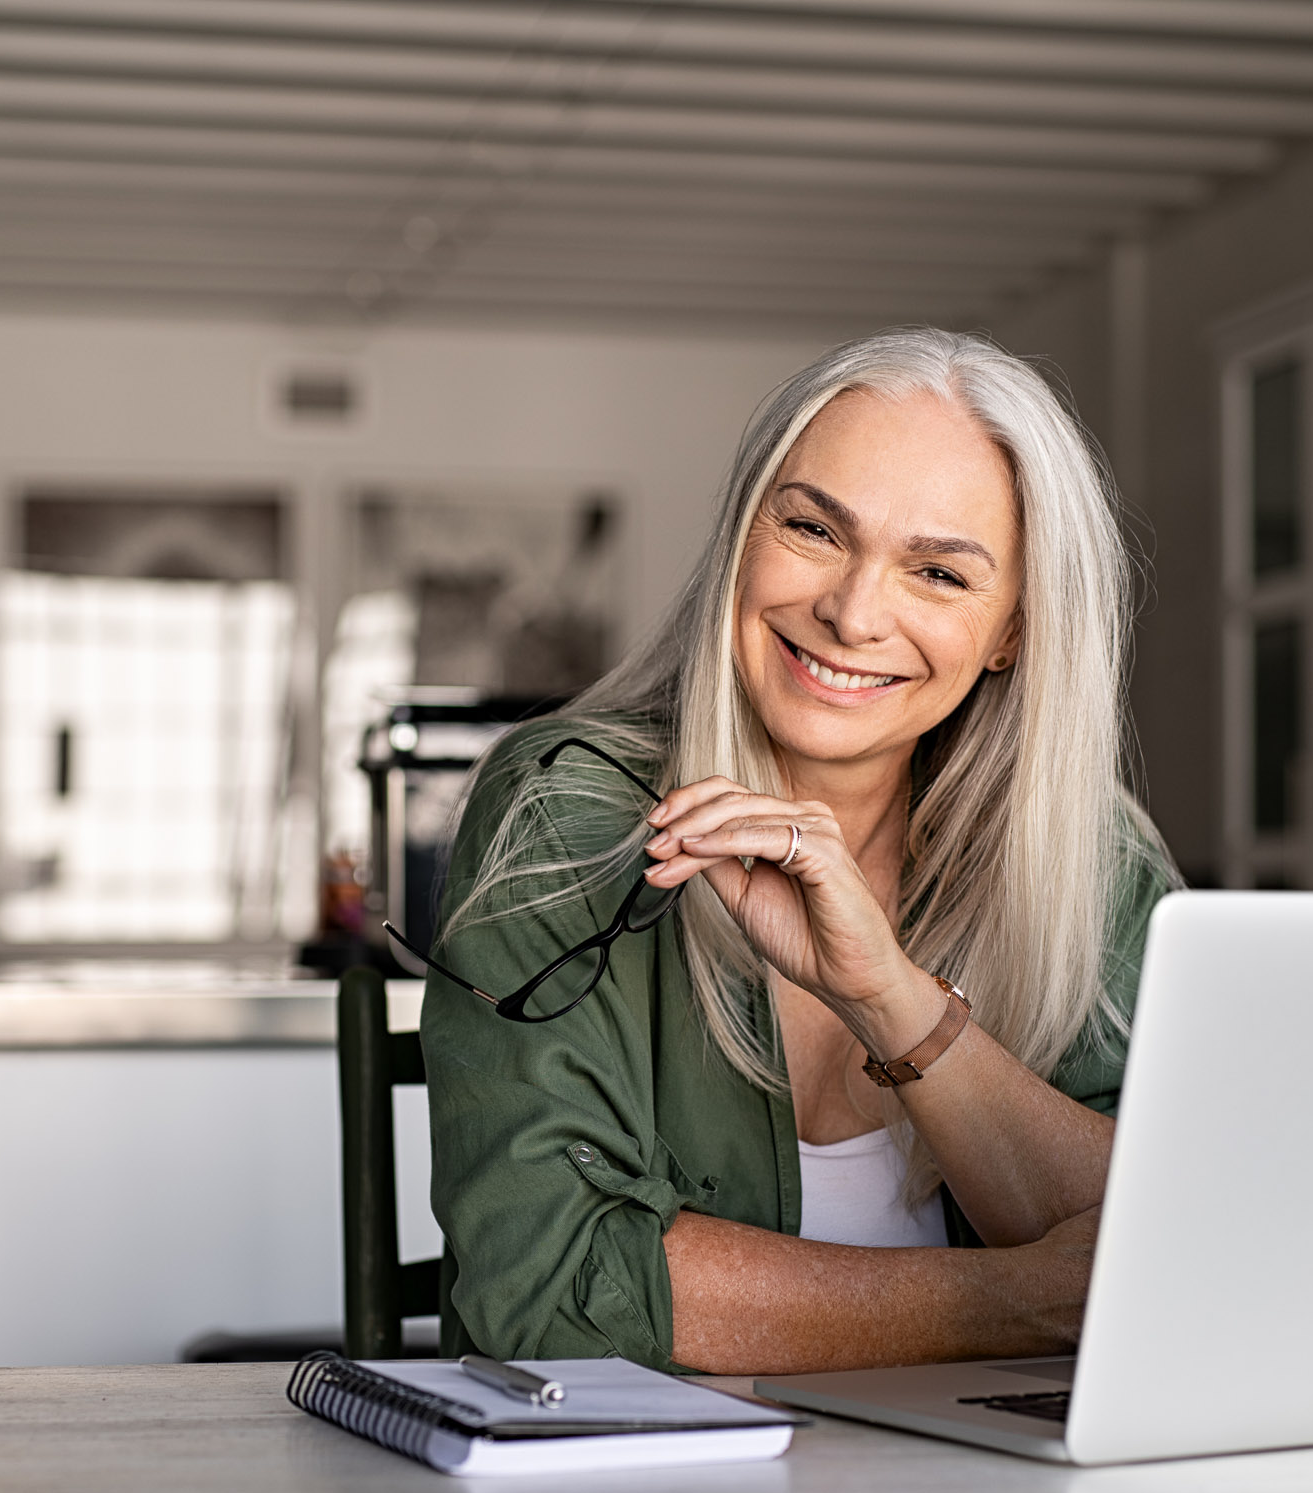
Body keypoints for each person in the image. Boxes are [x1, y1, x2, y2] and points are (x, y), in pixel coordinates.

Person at [412, 326, 1176, 1375]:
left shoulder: (1088, 860)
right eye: (814, 528)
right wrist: (1013, 1299)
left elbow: (1181, 1252)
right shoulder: (569, 809)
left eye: (939, 574)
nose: (852, 612)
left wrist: (890, 999)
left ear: (1012, 631)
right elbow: (549, 1290)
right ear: (742, 533)